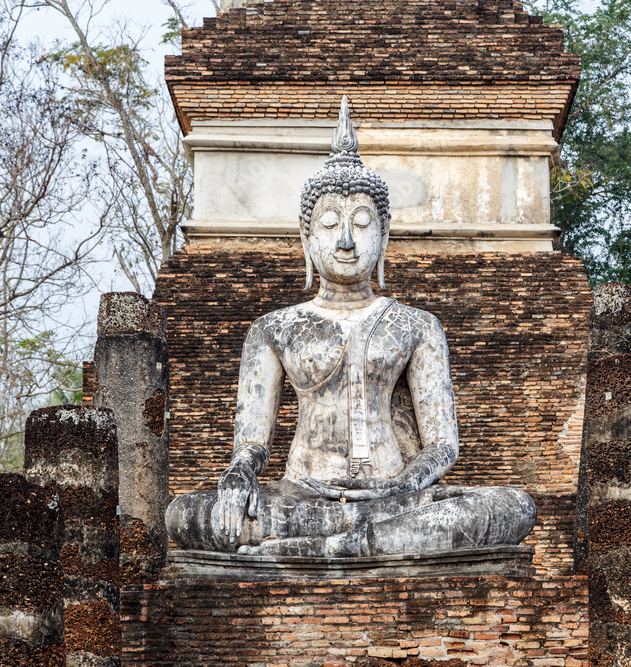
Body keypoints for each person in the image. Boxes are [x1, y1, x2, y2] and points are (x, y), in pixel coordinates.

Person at [165, 97, 536, 557]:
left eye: (362, 223)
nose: (345, 240)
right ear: (307, 237)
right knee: (186, 514)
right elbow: (251, 443)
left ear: (384, 235)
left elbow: (442, 445)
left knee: (511, 507)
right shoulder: (274, 328)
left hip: (395, 498)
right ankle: (350, 543)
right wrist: (238, 476)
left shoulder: (417, 326)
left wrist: (400, 485)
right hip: (302, 497)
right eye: (329, 224)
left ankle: (331, 549)